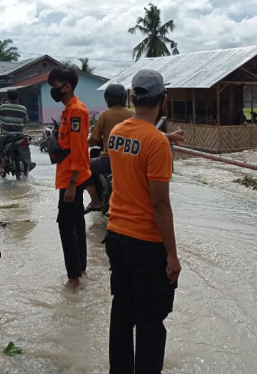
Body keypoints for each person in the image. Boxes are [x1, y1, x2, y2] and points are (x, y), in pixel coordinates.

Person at [104, 69, 181, 373]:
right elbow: (160, 204)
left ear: (134, 98)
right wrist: (172, 255)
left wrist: (164, 137)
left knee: (122, 316)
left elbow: (139, 140)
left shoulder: (118, 132)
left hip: (116, 237)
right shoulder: (157, 145)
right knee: (150, 323)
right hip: (147, 245)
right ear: (164, 99)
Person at [85, 84, 186, 212]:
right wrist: (169, 136)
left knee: (84, 167)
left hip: (109, 159)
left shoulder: (105, 115)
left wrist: (83, 143)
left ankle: (95, 201)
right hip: (130, 157)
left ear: (107, 99)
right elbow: (148, 133)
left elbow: (94, 139)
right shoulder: (132, 114)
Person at [48, 67, 93, 291]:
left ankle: (73, 280)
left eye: (55, 86)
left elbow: (78, 148)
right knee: (76, 222)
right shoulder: (68, 110)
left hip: (71, 178)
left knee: (66, 225)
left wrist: (73, 184)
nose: (52, 91)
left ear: (66, 87)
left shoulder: (76, 111)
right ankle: (81, 270)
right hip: (70, 175)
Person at [0, 90, 28, 178]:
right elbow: (25, 120)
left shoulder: (3, 107)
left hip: (6, 136)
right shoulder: (23, 108)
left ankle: (0, 169)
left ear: (8, 97)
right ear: (18, 97)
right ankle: (27, 164)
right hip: (19, 136)